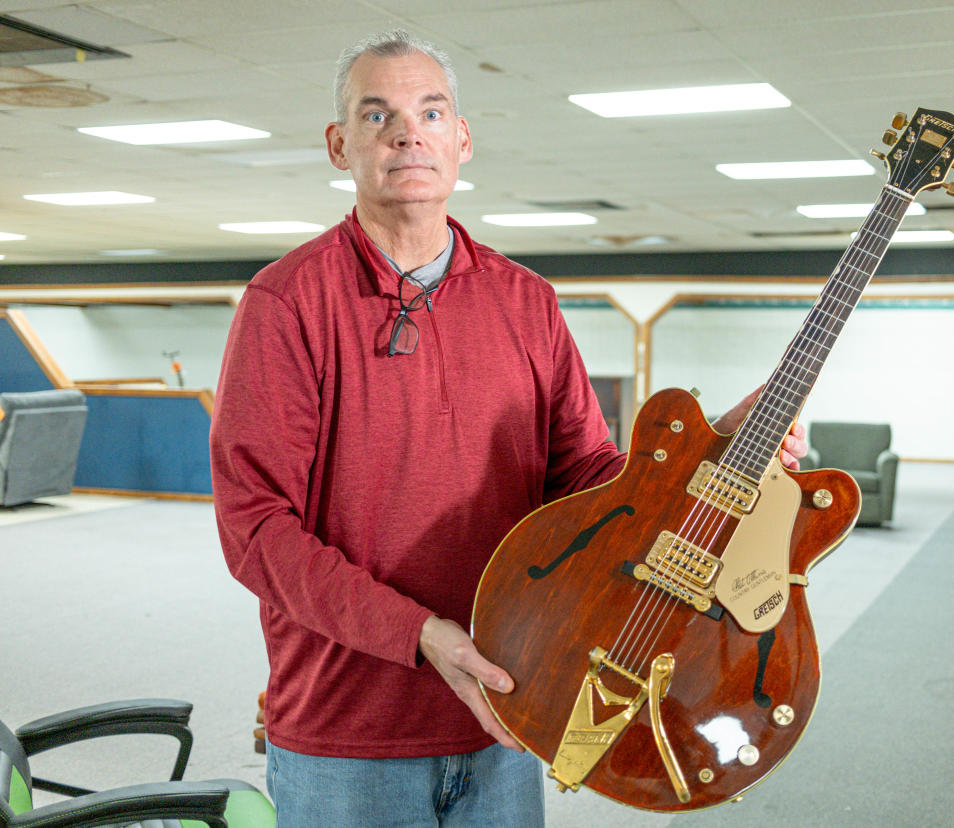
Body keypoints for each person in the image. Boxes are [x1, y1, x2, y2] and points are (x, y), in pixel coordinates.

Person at [210, 29, 807, 827]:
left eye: (430, 111)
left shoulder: (526, 301)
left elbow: (592, 479)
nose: (406, 132)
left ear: (461, 140)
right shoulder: (285, 305)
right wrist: (420, 634)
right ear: (338, 144)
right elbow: (256, 531)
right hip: (346, 730)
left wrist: (712, 448)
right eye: (376, 113)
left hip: (515, 703)